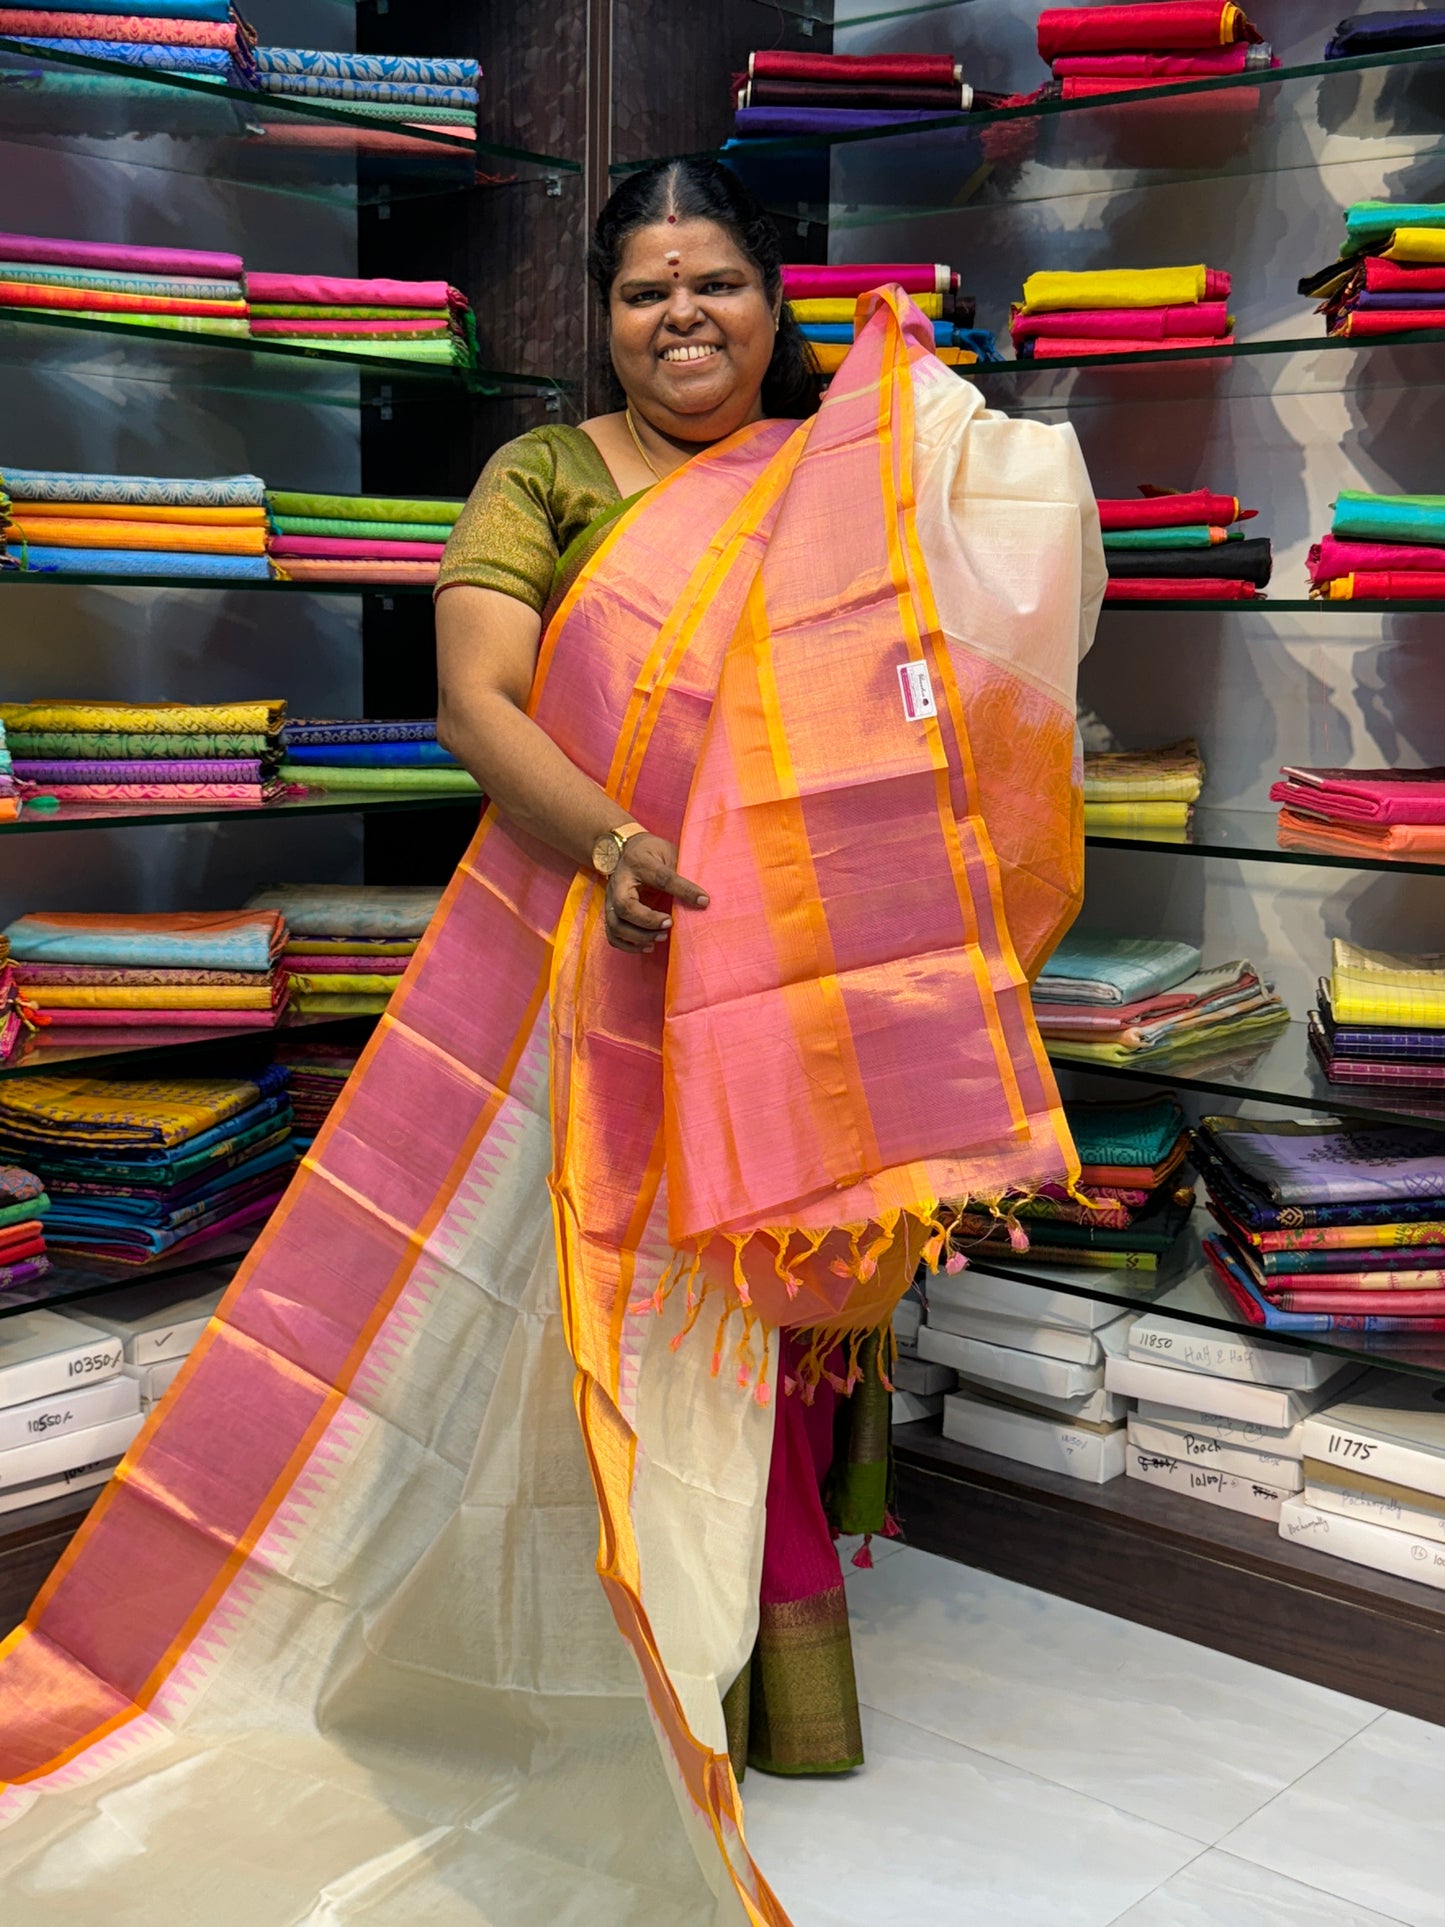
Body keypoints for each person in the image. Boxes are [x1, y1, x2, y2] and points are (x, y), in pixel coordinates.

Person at [0, 161, 1104, 1925]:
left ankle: (731, 1674)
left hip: (789, 979)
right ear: (599, 312)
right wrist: (615, 843)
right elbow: (473, 706)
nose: (686, 316)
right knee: (546, 1324)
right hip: (583, 957)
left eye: (721, 282)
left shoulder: (846, 471)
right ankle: (545, 1674)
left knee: (738, 1329)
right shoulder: (544, 475)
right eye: (648, 287)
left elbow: (961, 660)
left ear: (773, 299)